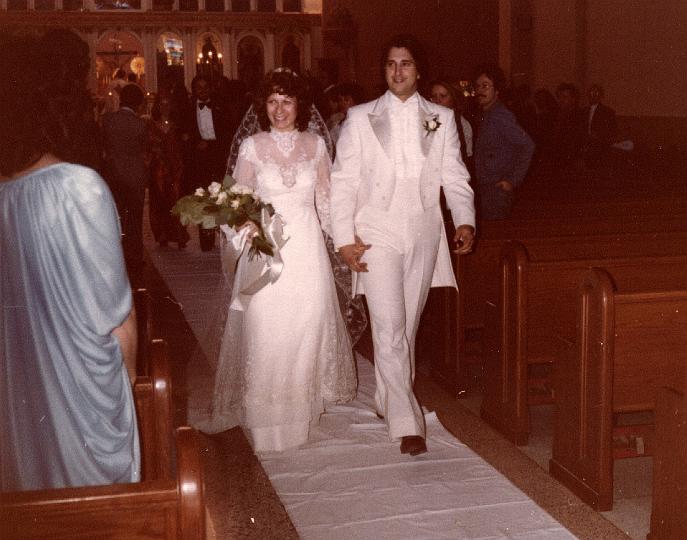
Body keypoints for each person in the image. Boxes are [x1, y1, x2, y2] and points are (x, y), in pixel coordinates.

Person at [0, 32, 139, 492]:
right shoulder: (79, 187)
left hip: (18, 397)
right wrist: (131, 392)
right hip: (81, 400)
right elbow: (116, 319)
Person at [330, 34, 475, 456]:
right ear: (383, 70)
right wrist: (344, 240)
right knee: (390, 326)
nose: (397, 71)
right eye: (391, 64)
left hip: (424, 232)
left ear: (418, 70)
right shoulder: (359, 118)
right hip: (377, 232)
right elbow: (343, 183)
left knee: (406, 325)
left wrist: (464, 219)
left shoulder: (441, 118)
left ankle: (386, 396)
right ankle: (407, 423)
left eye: (406, 64)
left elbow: (455, 174)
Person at [201, 69, 357, 453]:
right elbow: (234, 203)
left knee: (306, 328)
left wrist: (348, 243)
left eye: (287, 101)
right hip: (266, 254)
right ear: (262, 106)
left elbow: (327, 203)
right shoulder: (252, 147)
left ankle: (299, 415)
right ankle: (266, 421)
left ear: (300, 105)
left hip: (306, 252)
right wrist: (245, 228)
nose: (279, 109)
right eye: (272, 101)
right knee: (266, 330)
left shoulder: (317, 145)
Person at [473, 64, 534, 220]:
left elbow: (527, 145)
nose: (480, 90)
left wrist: (513, 180)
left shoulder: (499, 115)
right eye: (478, 86)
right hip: (487, 187)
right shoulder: (486, 114)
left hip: (496, 189)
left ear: (497, 90)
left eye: (485, 86)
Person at [102, 83, 150, 274]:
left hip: (113, 173)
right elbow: (144, 148)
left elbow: (104, 144)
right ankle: (135, 256)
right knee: (135, 219)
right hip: (134, 174)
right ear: (138, 103)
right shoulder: (140, 124)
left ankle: (114, 256)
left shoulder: (107, 120)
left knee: (115, 217)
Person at [148, 90, 190, 248]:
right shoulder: (150, 125)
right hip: (158, 169)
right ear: (157, 106)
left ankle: (179, 235)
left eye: (168, 104)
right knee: (159, 202)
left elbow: (184, 147)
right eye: (162, 104)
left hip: (176, 168)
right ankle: (162, 235)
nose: (165, 107)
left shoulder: (178, 126)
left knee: (177, 200)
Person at [428, 78, 474, 171]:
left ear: (453, 98)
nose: (437, 101)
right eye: (434, 96)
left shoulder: (462, 124)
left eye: (443, 96)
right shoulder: (428, 122)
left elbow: (466, 157)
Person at [583, 84, 617, 168]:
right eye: (591, 93)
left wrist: (599, 135)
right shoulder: (583, 111)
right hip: (585, 146)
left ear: (601, 96)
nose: (593, 95)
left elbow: (612, 130)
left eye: (596, 93)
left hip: (600, 147)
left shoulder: (608, 112)